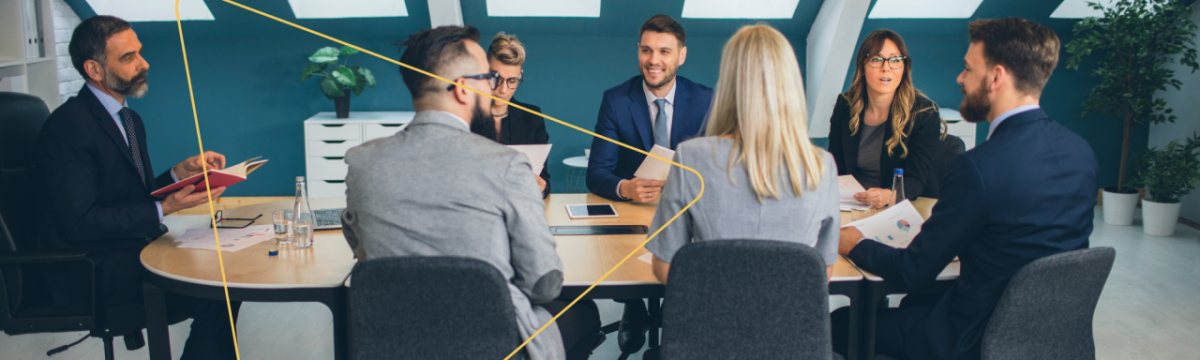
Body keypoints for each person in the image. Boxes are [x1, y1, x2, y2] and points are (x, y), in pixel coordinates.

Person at [831, 18, 1098, 360]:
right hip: (1052, 336)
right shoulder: (1080, 152)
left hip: (972, 339)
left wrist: (856, 243)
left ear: (996, 77)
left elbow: (913, 271)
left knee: (842, 322)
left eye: (968, 69)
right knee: (920, 302)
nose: (959, 78)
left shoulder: (978, 168)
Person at [340, 25, 602, 360]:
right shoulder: (507, 166)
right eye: (489, 79)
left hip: (396, 345)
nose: (497, 88)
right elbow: (545, 285)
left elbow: (365, 256)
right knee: (584, 314)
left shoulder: (361, 164)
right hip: (498, 347)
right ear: (464, 89)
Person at [34, 15, 240, 359]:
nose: (143, 64)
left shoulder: (127, 118)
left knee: (225, 275)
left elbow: (127, 196)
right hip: (93, 269)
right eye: (128, 58)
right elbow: (79, 222)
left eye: (139, 53)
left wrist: (177, 175)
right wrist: (167, 207)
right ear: (94, 70)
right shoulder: (69, 127)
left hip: (124, 250)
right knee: (217, 288)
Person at [646, 24, 840, 282]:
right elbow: (822, 273)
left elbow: (665, 268)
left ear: (729, 82)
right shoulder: (823, 165)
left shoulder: (691, 157)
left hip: (710, 318)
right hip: (789, 321)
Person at [586, 14, 714, 203]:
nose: (653, 60)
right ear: (638, 51)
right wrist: (625, 188)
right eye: (647, 50)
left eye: (664, 51)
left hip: (691, 207)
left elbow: (718, 167)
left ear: (681, 56)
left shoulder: (705, 100)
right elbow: (596, 173)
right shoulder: (615, 101)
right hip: (635, 210)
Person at [828, 29, 945, 208]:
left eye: (895, 60)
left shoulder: (924, 113)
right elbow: (836, 167)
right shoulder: (845, 105)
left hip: (903, 204)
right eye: (876, 59)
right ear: (863, 66)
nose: (886, 67)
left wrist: (888, 195)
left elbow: (916, 179)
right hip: (854, 203)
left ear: (904, 67)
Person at [486, 31, 552, 198]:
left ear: (519, 77)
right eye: (496, 78)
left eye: (512, 81)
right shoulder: (463, 116)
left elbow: (544, 179)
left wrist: (542, 188)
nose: (503, 90)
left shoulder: (532, 117)